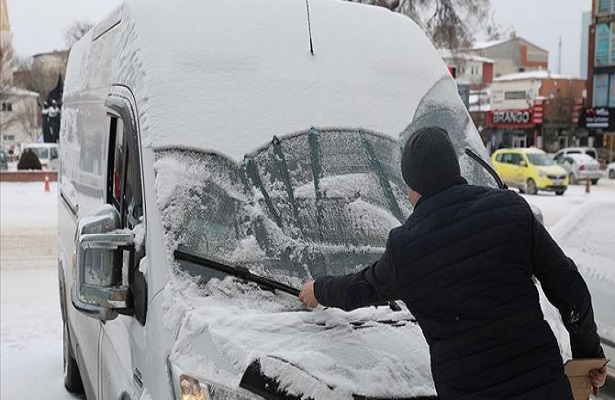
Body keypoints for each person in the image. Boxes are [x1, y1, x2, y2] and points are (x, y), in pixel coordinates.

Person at [298, 126, 607, 399]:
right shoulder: (510, 210)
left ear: (411, 185)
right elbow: (570, 288)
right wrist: (587, 355)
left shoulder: (406, 248)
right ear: (454, 169)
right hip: (545, 388)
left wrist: (318, 289)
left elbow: (361, 288)